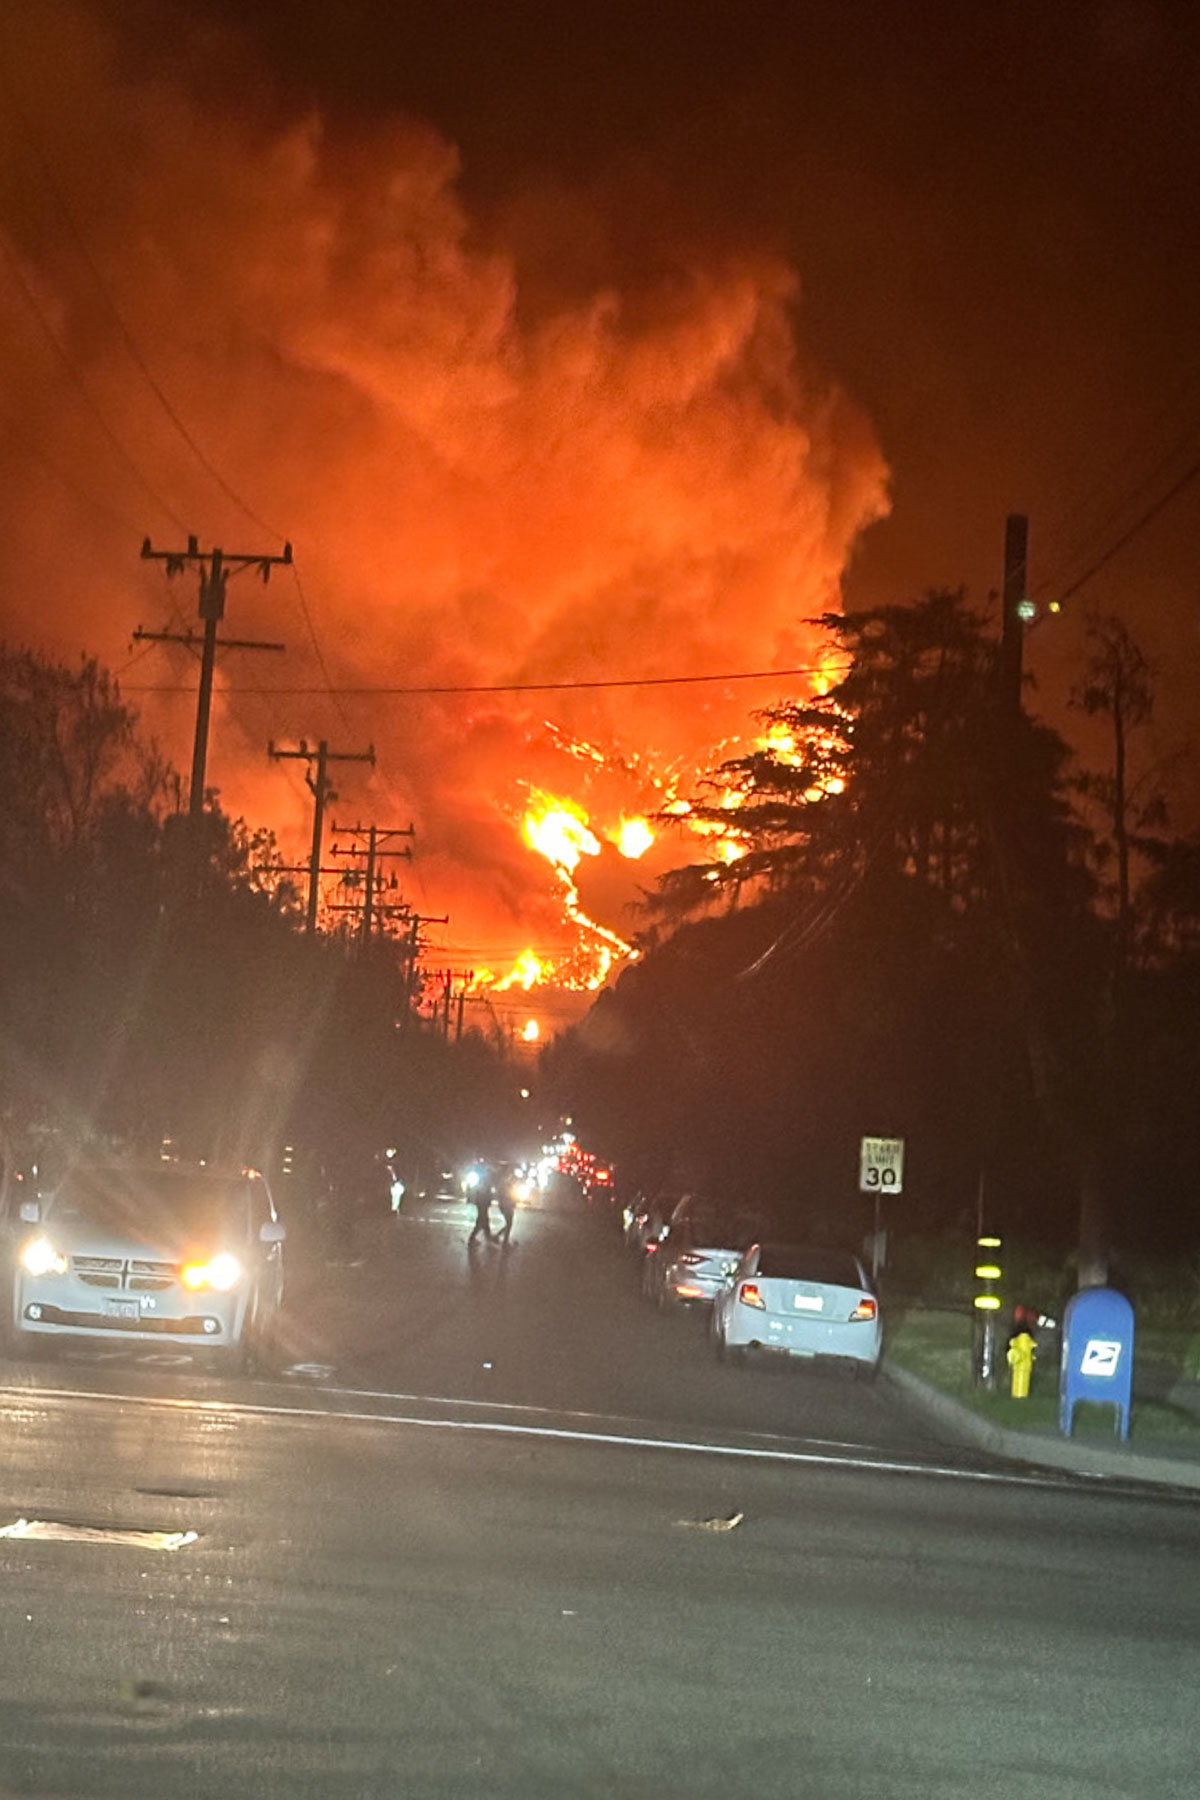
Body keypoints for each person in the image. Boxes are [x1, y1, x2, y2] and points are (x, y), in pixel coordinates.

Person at [496, 1177, 515, 1247]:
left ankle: (499, 1235)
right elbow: (508, 1196)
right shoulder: (506, 1186)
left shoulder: (507, 1185)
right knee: (509, 1223)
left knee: (509, 1223)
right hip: (506, 1206)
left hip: (506, 1206)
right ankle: (505, 1240)